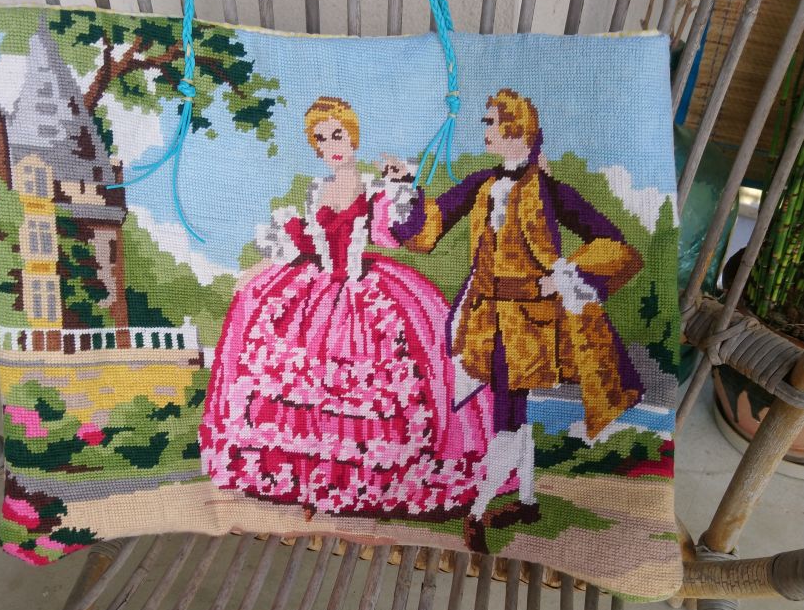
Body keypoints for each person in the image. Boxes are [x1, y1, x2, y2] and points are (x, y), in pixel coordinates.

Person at [198, 95, 491, 522]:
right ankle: (305, 478)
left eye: (337, 135)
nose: (331, 146)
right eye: (321, 139)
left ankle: (371, 480)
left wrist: (401, 185)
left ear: (352, 136)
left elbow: (392, 233)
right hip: (314, 291)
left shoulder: (372, 190)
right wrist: (257, 269)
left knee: (375, 381)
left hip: (359, 289)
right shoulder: (318, 189)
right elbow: (300, 240)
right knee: (298, 379)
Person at [391, 89, 645, 553]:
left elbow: (615, 243)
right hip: (485, 320)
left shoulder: (548, 190)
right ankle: (526, 500)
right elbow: (428, 231)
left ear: (516, 129)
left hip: (529, 326)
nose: (484, 129)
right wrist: (406, 188)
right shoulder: (481, 184)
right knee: (514, 412)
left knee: (506, 415)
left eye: (491, 122)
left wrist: (565, 274)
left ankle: (478, 509)